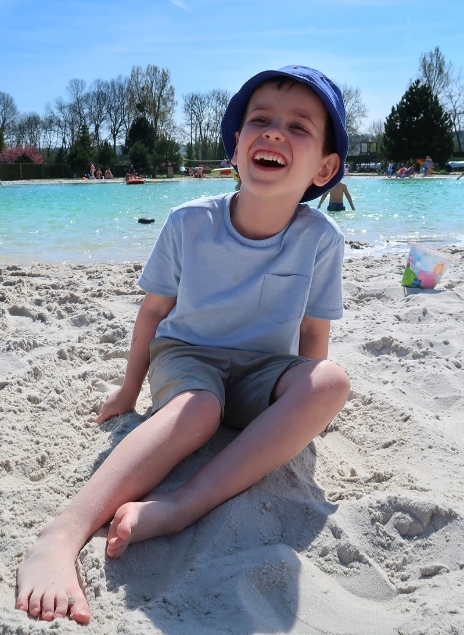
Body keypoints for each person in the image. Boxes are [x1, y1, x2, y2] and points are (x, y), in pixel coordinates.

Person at [14, 65, 352, 625]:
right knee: (198, 409)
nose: (272, 132)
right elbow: (153, 313)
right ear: (236, 145)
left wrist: (300, 411)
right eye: (259, 120)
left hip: (265, 369)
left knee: (332, 381)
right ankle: (63, 533)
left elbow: (314, 336)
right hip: (188, 358)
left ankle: (181, 506)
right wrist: (128, 390)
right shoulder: (189, 222)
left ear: (325, 167)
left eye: (297, 126)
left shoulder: (320, 239)